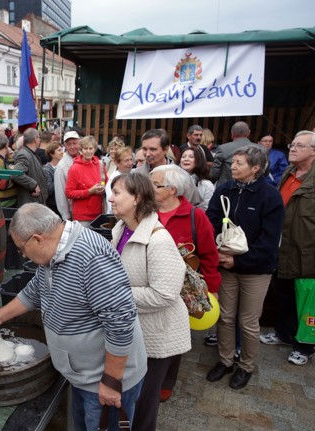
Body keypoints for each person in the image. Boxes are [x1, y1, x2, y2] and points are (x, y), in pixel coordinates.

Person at [0, 203, 147, 431]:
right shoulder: (53, 254)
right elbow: (35, 290)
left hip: (104, 382)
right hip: (82, 375)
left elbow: (121, 324)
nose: (22, 255)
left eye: (21, 249)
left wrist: (112, 382)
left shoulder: (92, 257)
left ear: (37, 239)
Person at [108, 172, 190, 431]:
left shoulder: (158, 239)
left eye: (117, 193)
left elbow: (164, 294)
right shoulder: (121, 227)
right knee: (129, 397)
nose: (110, 198)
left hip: (156, 337)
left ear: (137, 198)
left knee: (143, 402)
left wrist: (114, 293)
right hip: (135, 330)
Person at [205, 146, 285, 389]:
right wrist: (217, 250)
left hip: (256, 270)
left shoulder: (270, 196)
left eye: (240, 163)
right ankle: (225, 360)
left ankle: (247, 366)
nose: (234, 166)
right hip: (226, 265)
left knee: (248, 321)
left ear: (256, 168)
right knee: (226, 316)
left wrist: (238, 261)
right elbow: (211, 220)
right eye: (234, 162)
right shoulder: (224, 189)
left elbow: (269, 241)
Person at [260, 131, 315, 366]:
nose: (292, 148)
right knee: (284, 294)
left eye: (299, 146)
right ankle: (284, 333)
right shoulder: (289, 172)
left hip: (309, 252)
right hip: (284, 248)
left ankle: (305, 346)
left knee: (305, 298)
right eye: (292, 144)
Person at [149, 165, 220, 401]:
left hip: (180, 291)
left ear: (172, 190)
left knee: (173, 338)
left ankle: (165, 383)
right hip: (148, 287)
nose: (148, 187)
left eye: (155, 184)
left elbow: (209, 255)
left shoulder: (195, 216)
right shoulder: (145, 212)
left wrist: (211, 288)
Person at [135, 129, 204, 208]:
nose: (147, 154)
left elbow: (197, 206)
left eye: (153, 149)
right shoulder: (136, 175)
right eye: (144, 149)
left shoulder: (182, 176)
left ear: (165, 149)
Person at [65, 136, 107, 225]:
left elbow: (104, 180)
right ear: (81, 150)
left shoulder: (99, 164)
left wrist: (103, 188)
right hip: (82, 216)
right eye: (85, 148)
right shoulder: (74, 169)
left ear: (95, 149)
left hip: (98, 213)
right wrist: (89, 191)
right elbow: (69, 193)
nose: (88, 151)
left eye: (91, 148)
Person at [210, 121, 259, 186]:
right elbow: (265, 173)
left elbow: (214, 173)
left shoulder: (223, 149)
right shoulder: (261, 149)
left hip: (227, 190)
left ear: (232, 134)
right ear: (249, 133)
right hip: (253, 189)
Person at [11, 128, 47, 206]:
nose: (40, 140)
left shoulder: (31, 153)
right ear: (35, 139)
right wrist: (33, 185)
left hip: (35, 203)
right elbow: (16, 174)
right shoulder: (24, 154)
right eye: (39, 137)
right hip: (31, 205)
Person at [54, 130, 80, 220]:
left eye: (74, 143)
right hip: (72, 212)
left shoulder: (85, 159)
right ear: (65, 146)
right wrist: (66, 216)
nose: (72, 147)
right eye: (69, 144)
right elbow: (60, 193)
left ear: (79, 143)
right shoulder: (61, 166)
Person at [105, 147, 134, 213]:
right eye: (126, 160)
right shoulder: (112, 182)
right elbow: (112, 207)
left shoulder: (134, 175)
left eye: (131, 159)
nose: (130, 163)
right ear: (117, 163)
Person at [43, 142, 64, 215]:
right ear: (52, 154)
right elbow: (49, 190)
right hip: (53, 205)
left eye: (62, 150)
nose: (62, 152)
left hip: (63, 203)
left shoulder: (63, 167)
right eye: (59, 150)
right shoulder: (46, 170)